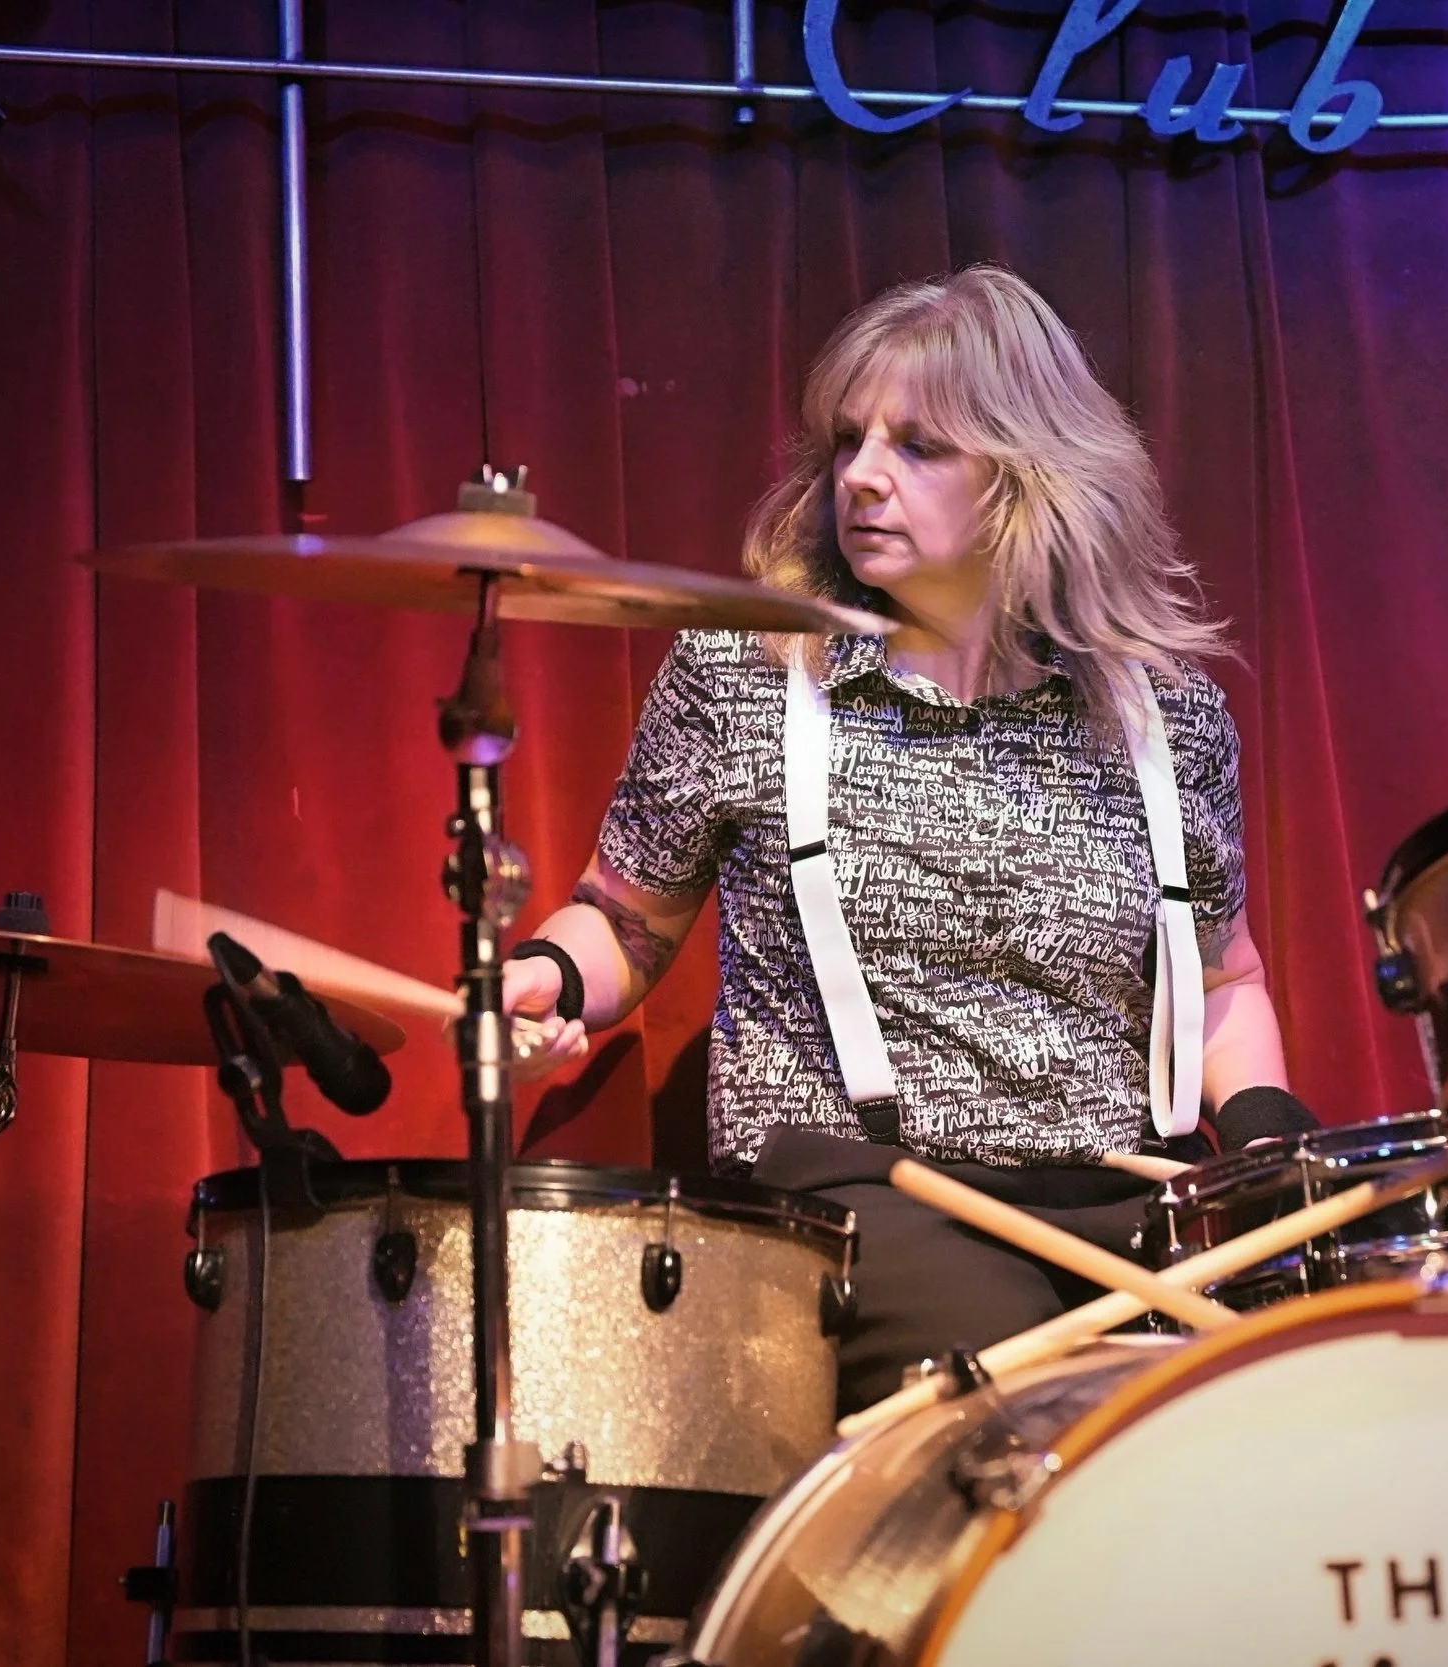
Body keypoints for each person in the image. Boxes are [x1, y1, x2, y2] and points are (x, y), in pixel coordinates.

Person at [501, 265, 1292, 1411]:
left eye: (917, 445)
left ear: (1027, 474)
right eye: (849, 439)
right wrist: (552, 972)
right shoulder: (749, 673)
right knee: (1034, 1407)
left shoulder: (1164, 716)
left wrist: (1265, 1137)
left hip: (1130, 1206)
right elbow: (624, 920)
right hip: (859, 1204)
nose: (861, 475)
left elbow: (1222, 977)